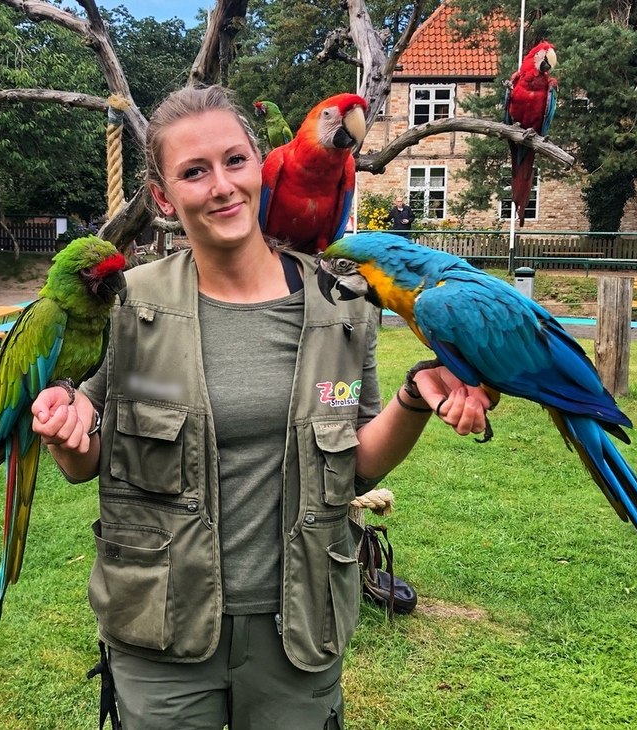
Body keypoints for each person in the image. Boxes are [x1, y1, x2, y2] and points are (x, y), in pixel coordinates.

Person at [29, 85, 491, 729]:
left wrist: (415, 398)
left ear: (262, 164)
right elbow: (85, 464)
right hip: (159, 625)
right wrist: (67, 434)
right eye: (194, 171)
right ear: (164, 196)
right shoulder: (126, 305)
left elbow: (356, 465)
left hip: (299, 630)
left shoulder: (342, 306)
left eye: (235, 161)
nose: (221, 186)